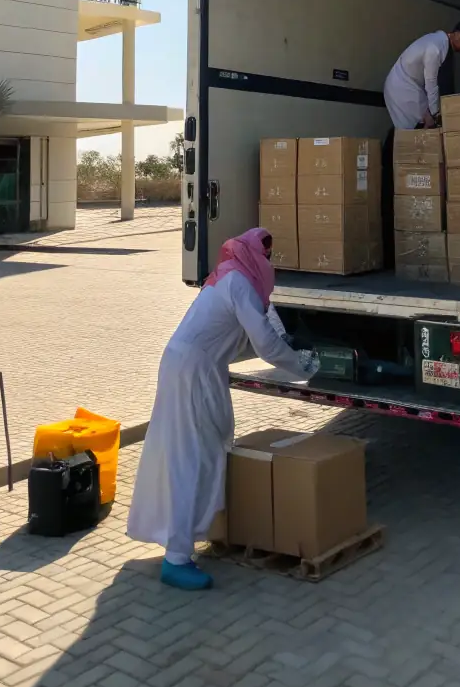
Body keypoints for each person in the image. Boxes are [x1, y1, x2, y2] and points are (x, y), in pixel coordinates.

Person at [127, 227, 318, 590]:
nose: (269, 261)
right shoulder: (241, 285)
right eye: (266, 254)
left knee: (194, 450)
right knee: (193, 457)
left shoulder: (230, 277)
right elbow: (264, 345)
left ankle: (181, 540)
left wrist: (287, 344)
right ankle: (177, 558)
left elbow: (252, 334)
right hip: (195, 372)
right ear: (252, 254)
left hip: (188, 366)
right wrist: (303, 366)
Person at [381, 22, 460, 263]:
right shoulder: (436, 48)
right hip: (402, 87)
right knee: (418, 128)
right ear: (456, 34)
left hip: (411, 87)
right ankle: (404, 162)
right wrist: (436, 115)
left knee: (425, 123)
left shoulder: (442, 46)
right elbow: (431, 83)